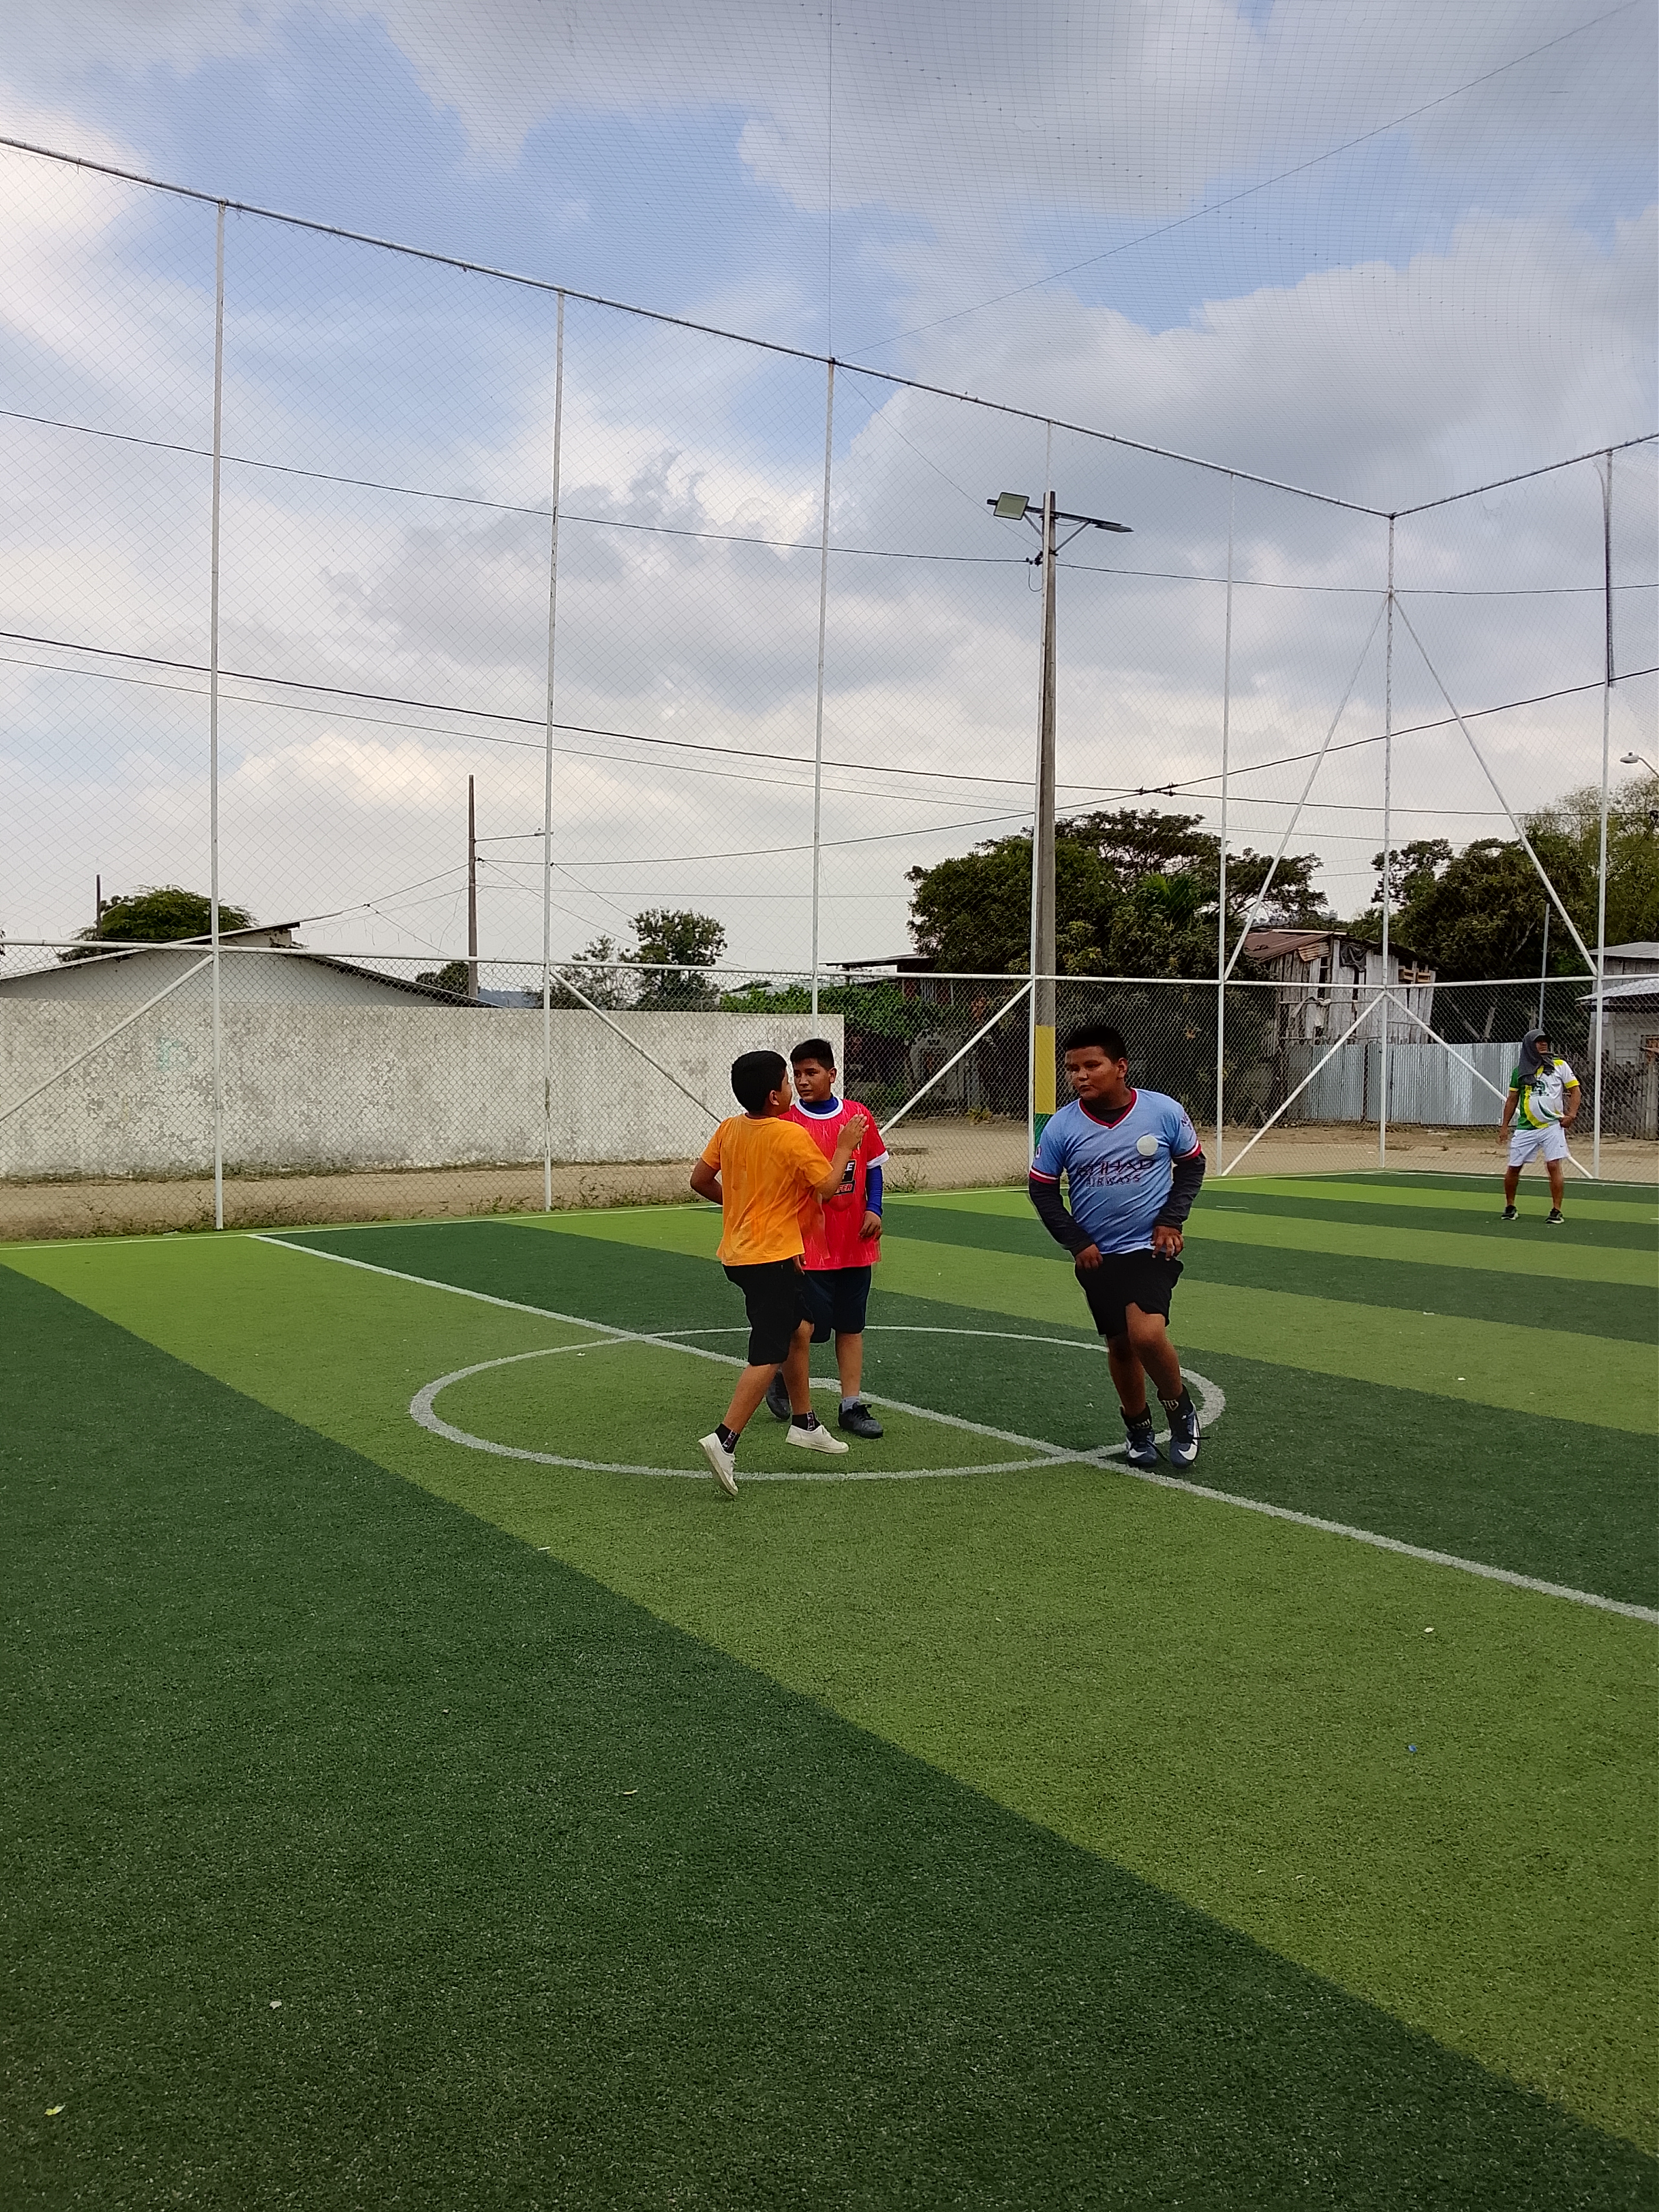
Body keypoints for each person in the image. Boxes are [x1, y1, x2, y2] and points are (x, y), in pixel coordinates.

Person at [689, 1049, 870, 1495]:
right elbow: (829, 1187)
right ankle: (725, 1440)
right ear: (774, 1096)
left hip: (744, 1255)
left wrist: (741, 1210)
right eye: (789, 1081)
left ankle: (805, 1422)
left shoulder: (729, 1129)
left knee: (801, 1327)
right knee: (769, 1351)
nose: (795, 1087)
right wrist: (844, 1146)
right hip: (767, 1260)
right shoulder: (790, 1135)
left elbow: (700, 1180)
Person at [1027, 1023, 1206, 1469]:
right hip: (1097, 1257)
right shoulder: (1062, 1126)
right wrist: (1077, 1241)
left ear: (1121, 1067)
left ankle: (1179, 1408)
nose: (1080, 1076)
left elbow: (1191, 1165)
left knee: (1147, 1334)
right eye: (1073, 1068)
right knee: (1121, 1345)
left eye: (1092, 1065)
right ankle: (1138, 1427)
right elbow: (1042, 1189)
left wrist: (1171, 1220)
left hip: (1150, 1249)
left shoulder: (1162, 1111)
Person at [760, 1037, 888, 1439]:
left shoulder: (858, 1116)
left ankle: (851, 1405)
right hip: (808, 1247)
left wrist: (875, 1209)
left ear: (832, 1075)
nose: (803, 1081)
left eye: (811, 1073)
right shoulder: (786, 1123)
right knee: (808, 1329)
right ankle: (784, 1376)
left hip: (855, 1243)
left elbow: (874, 1167)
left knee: (851, 1325)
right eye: (797, 1074)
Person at [1499, 1028, 1580, 1224]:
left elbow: (1575, 1091)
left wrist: (1571, 1115)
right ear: (1529, 1045)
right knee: (1514, 1167)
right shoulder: (1520, 1071)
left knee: (1553, 1165)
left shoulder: (1559, 1065)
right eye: (1538, 1041)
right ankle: (1510, 1206)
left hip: (1552, 1126)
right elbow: (1512, 1099)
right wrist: (1504, 1126)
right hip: (1526, 1127)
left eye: (1545, 1041)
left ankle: (1556, 1210)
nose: (1543, 1044)